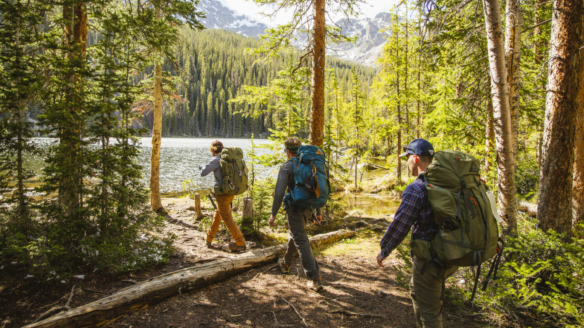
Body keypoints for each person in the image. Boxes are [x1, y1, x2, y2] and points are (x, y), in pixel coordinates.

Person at [376, 139, 458, 328]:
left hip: (430, 259)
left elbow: (401, 223)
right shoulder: (446, 183)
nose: (406, 163)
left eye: (407, 159)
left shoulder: (417, 188)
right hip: (449, 252)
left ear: (415, 158)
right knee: (418, 290)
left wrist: (385, 249)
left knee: (430, 315)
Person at [269, 137, 323, 292]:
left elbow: (279, 193)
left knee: (301, 239)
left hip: (294, 208)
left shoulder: (286, 166)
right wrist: (318, 212)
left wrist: (273, 214)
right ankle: (285, 263)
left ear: (287, 151)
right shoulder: (310, 165)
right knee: (297, 234)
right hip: (308, 207)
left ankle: (314, 278)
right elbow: (316, 188)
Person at [199, 140, 246, 252]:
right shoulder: (231, 159)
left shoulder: (216, 159)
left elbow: (203, 173)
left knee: (227, 218)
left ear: (213, 150)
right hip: (231, 191)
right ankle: (209, 238)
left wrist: (201, 167)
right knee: (219, 214)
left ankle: (240, 242)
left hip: (222, 193)